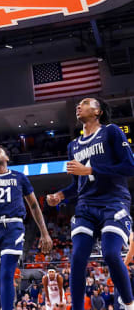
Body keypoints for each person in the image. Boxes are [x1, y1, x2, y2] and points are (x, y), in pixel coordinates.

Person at [47, 98, 134, 310]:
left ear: (98, 112)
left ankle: (130, 305)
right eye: (77, 104)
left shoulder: (111, 132)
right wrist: (60, 195)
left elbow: (129, 167)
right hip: (86, 206)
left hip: (113, 201)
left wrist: (91, 170)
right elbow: (77, 186)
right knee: (77, 258)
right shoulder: (73, 146)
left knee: (112, 254)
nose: (78, 106)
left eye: (85, 103)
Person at [0, 147, 52, 310]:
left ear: (7, 157)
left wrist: (44, 233)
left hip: (13, 226)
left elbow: (34, 205)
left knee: (6, 274)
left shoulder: (19, 177)